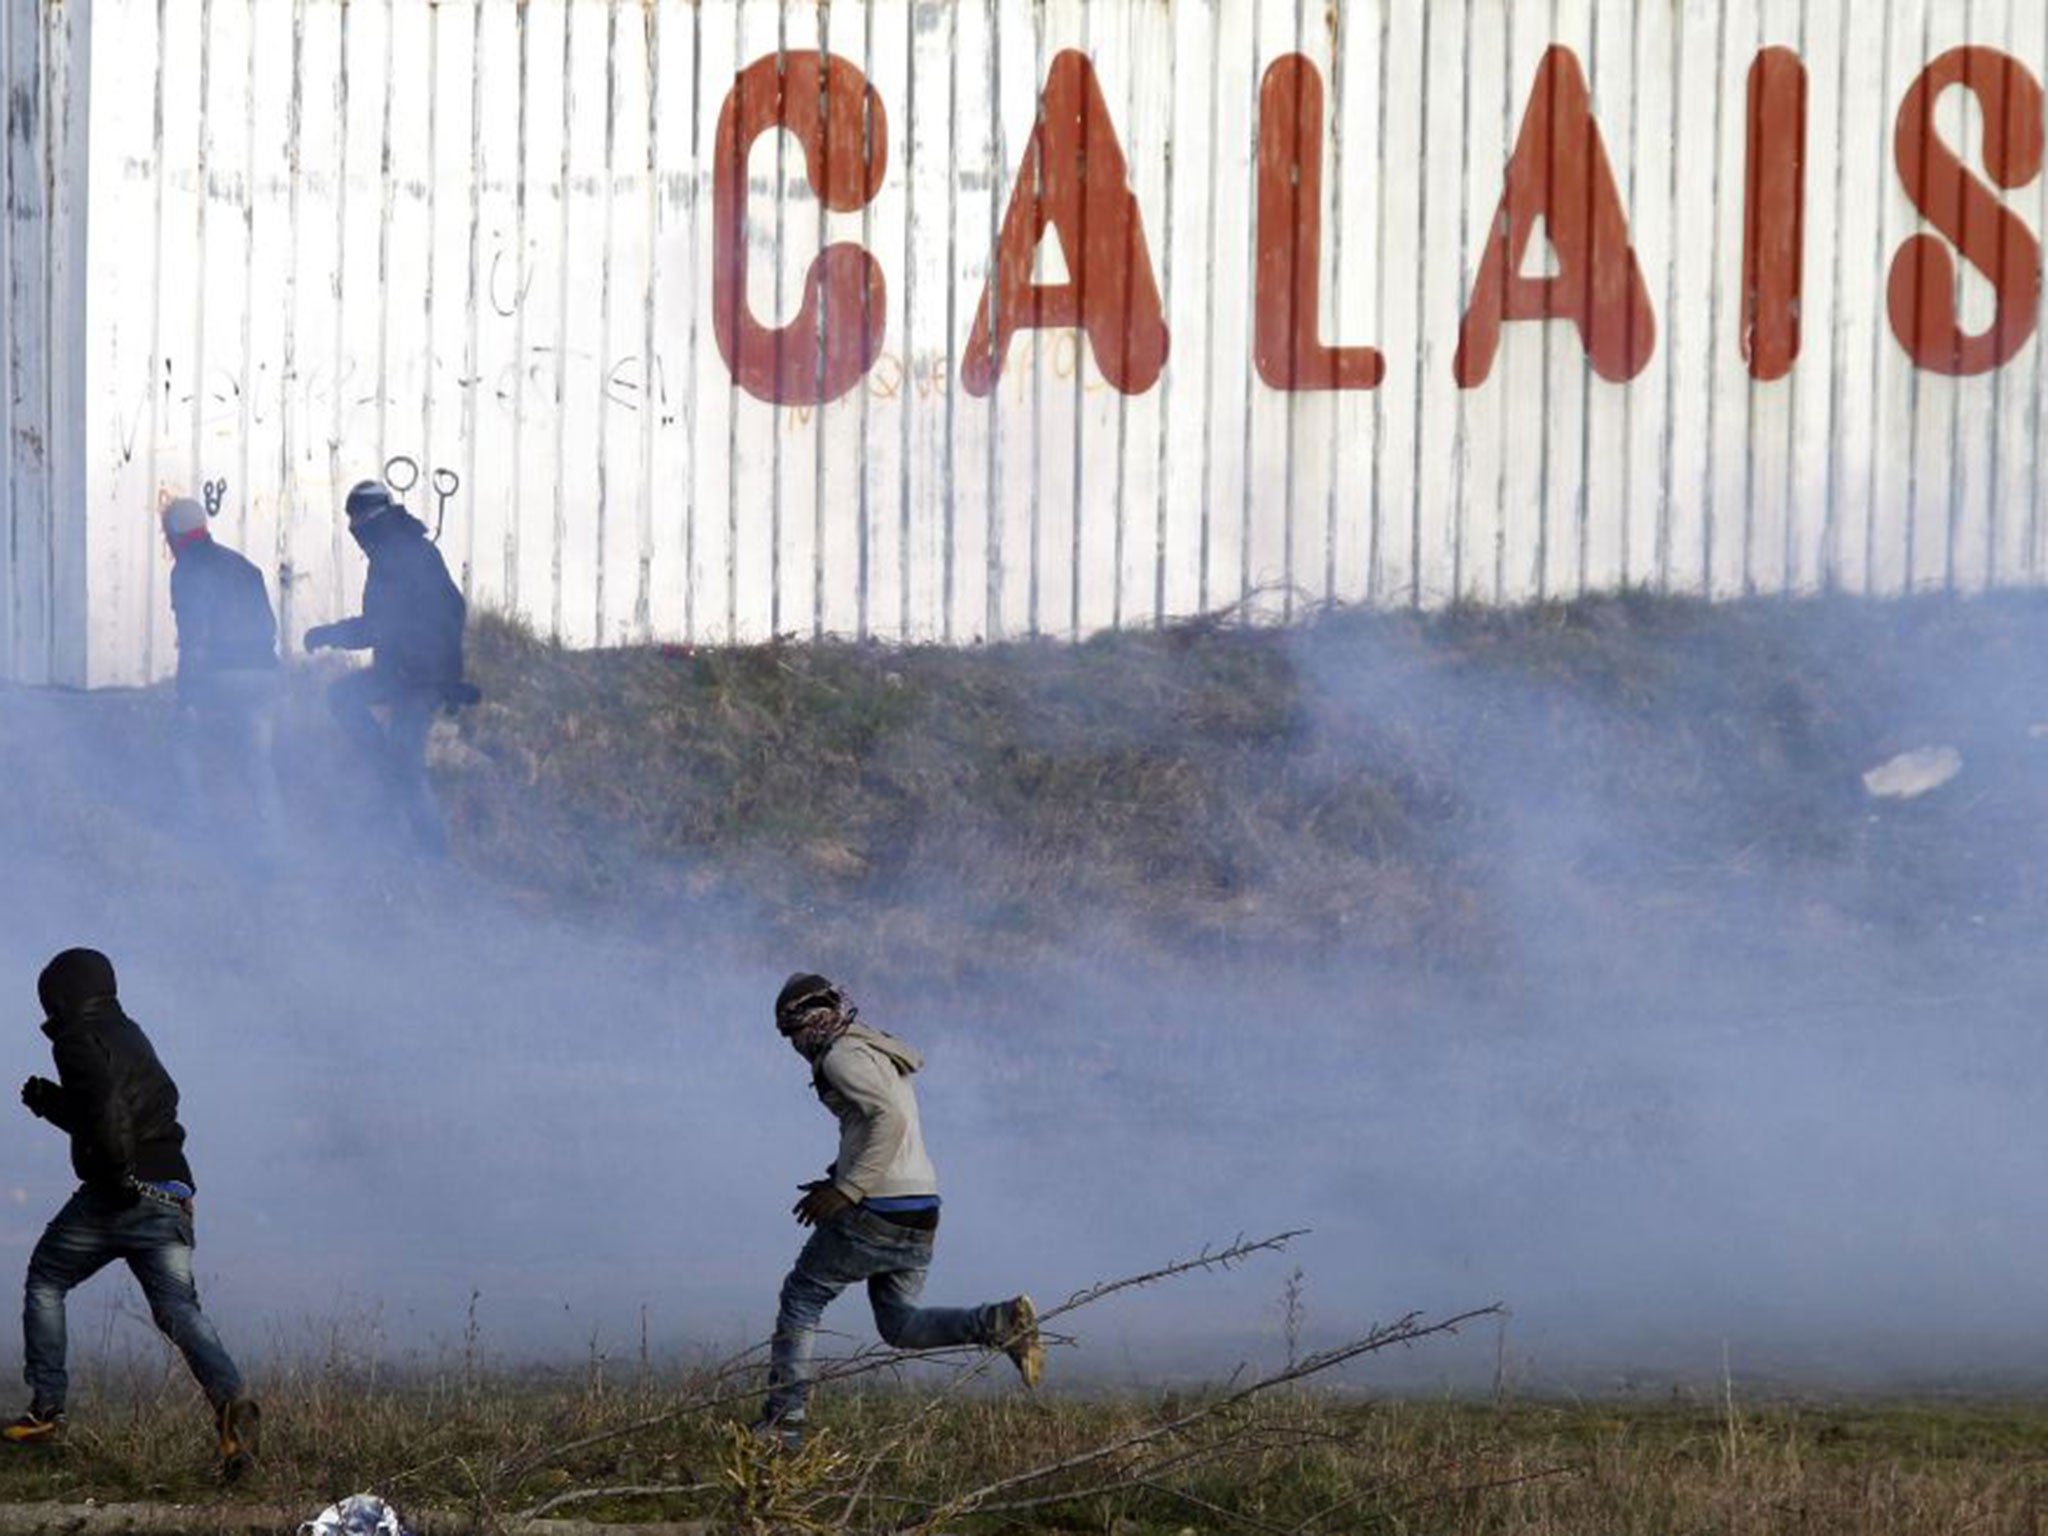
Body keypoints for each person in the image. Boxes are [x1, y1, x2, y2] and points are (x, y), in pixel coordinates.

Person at [4, 949, 260, 1479]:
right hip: (172, 1189)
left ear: (59, 996)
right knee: (178, 1311)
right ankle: (233, 1410)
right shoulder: (131, 1035)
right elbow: (123, 1109)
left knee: (47, 1278)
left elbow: (106, 1112)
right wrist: (53, 1104)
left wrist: (117, 1175)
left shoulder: (77, 1036)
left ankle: (46, 1411)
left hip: (123, 1190)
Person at [755, 973, 1042, 1446]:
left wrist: (847, 1188)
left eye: (792, 1034)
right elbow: (876, 1127)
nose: (793, 1046)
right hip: (921, 1206)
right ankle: (999, 1321)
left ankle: (785, 1422)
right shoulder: (874, 1050)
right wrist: (837, 1174)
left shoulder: (842, 1058)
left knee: (803, 1297)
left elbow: (888, 1119)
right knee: (899, 1323)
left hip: (876, 1205)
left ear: (810, 1024)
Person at [302, 479, 473, 856]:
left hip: (418, 679)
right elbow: (447, 611)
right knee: (345, 698)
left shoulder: (398, 555)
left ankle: (434, 858)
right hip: (405, 672)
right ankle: (386, 778)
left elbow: (379, 624)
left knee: (407, 768)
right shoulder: (403, 549)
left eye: (355, 518)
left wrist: (330, 633)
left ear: (369, 516)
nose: (353, 529)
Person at [160, 496, 283, 846]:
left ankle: (195, 830)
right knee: (259, 761)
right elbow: (269, 626)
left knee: (183, 742)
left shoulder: (186, 572)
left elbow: (193, 639)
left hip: (222, 675)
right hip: (264, 674)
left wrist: (187, 698)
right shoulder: (244, 565)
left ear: (174, 536)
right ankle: (273, 844)